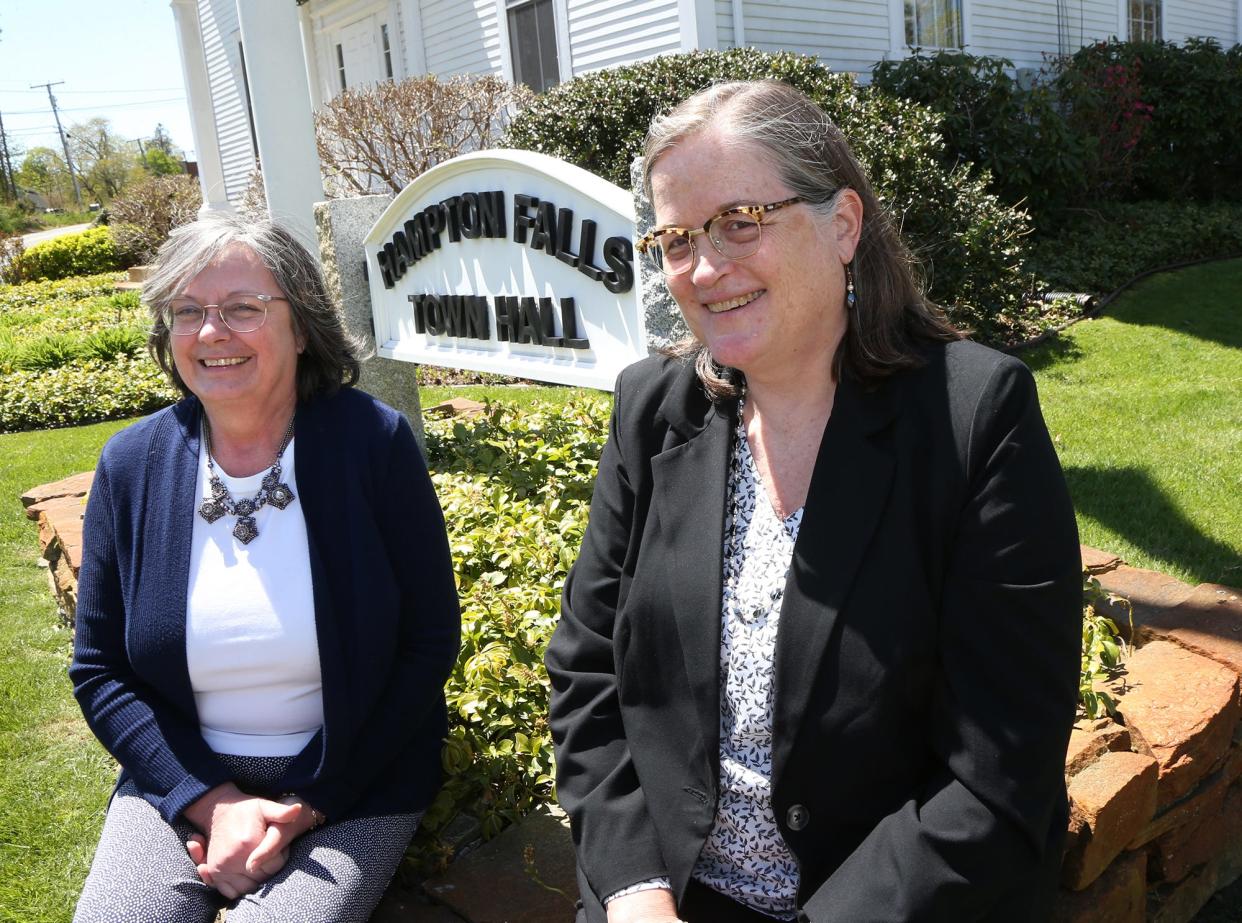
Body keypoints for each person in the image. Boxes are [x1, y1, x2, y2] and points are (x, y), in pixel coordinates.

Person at [546, 80, 1081, 923]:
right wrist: (632, 886)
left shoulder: (975, 418)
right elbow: (585, 669)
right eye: (679, 238)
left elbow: (997, 770)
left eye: (740, 221)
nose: (706, 268)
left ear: (843, 225)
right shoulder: (652, 413)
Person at [70, 212, 460, 922]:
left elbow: (428, 642)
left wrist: (302, 808)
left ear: (301, 325)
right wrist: (210, 802)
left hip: (353, 785)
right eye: (188, 311)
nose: (212, 331)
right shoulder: (130, 465)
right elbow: (98, 669)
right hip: (180, 780)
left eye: (243, 308)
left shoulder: (373, 444)